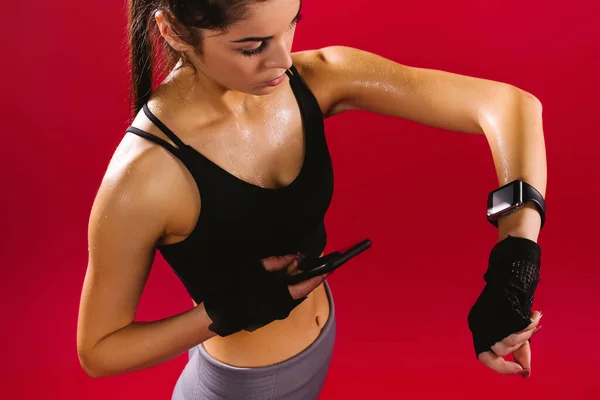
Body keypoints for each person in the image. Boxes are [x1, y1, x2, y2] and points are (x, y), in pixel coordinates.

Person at [76, 0, 547, 398]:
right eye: (253, 45)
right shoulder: (144, 177)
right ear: (173, 30)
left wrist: (514, 268)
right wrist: (226, 312)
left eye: (292, 22)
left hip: (317, 349)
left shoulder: (312, 79)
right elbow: (99, 351)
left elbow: (510, 107)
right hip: (241, 388)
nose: (283, 59)